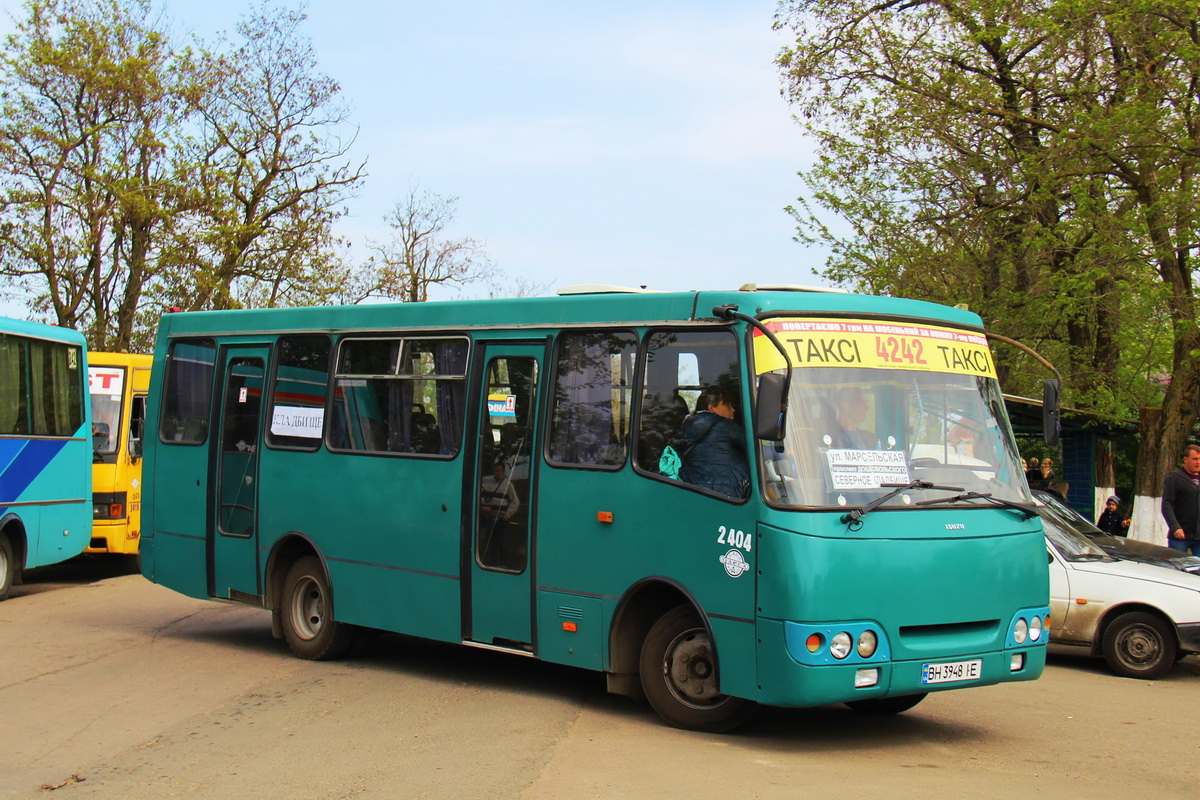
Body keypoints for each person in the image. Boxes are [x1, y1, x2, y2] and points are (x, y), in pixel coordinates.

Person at [678, 388, 750, 498]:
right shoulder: (727, 426)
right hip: (727, 493)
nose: (733, 410)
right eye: (727, 405)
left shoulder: (686, 426)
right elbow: (753, 449)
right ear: (711, 408)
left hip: (695, 489)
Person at [1161, 444, 1200, 555]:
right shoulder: (1175, 478)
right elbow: (1167, 505)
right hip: (1180, 537)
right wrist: (1175, 527)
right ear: (1185, 459)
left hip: (1198, 538)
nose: (1198, 462)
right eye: (1195, 459)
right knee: (1177, 569)